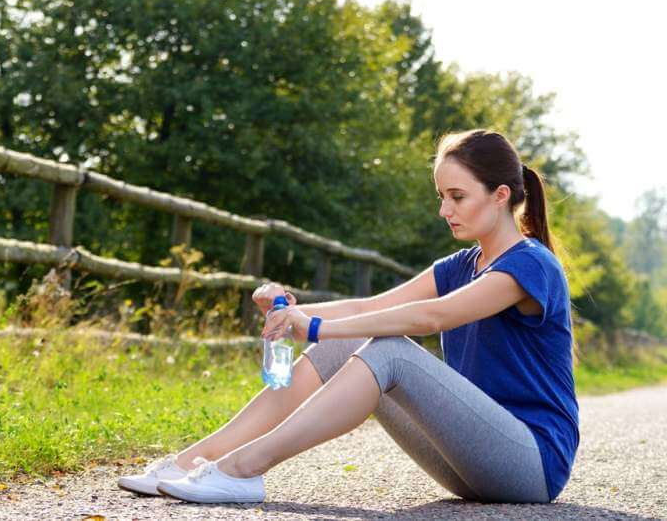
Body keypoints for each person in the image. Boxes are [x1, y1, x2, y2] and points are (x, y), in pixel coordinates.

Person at [117, 129, 579, 505]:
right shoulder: (460, 265)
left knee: (391, 352)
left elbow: (431, 317)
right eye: (441, 195)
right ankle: (190, 461)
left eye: (457, 196)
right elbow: (370, 307)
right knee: (343, 344)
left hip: (530, 464)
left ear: (500, 195)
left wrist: (314, 327)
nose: (444, 210)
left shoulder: (530, 264)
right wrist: (292, 312)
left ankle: (243, 468)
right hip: (469, 464)